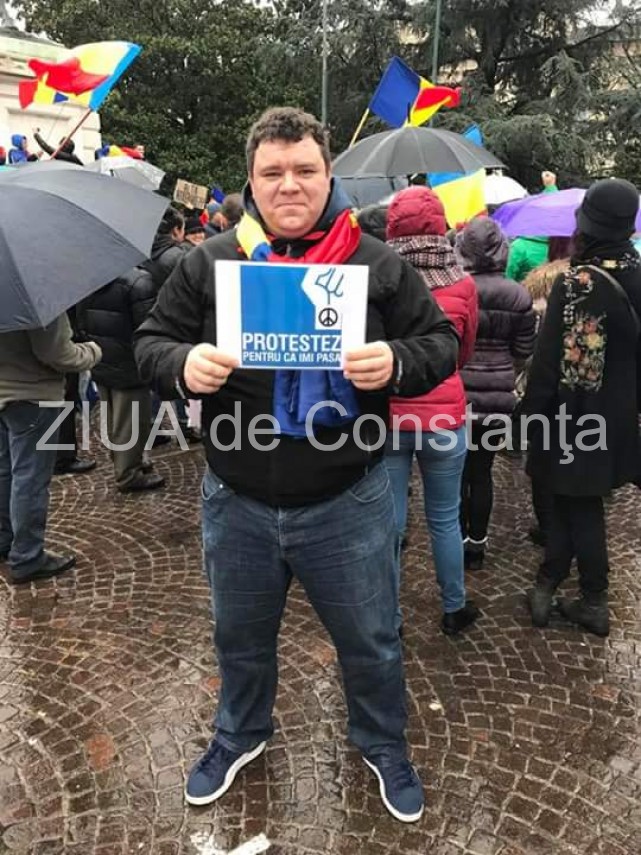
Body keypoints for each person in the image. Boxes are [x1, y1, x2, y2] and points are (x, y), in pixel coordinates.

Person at [135, 106, 458, 823]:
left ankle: (381, 742)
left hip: (349, 500)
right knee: (239, 639)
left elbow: (440, 342)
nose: (289, 184)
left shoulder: (374, 262)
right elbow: (151, 340)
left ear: (327, 175)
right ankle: (239, 733)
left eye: (304, 170)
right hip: (238, 499)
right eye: (273, 172)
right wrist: (182, 363)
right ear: (251, 181)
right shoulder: (211, 261)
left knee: (371, 642)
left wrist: (397, 361)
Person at [523, 179, 641, 637]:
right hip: (618, 415)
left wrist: (527, 420)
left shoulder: (576, 282)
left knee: (578, 504)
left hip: (571, 416)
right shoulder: (637, 271)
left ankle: (591, 598)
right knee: (575, 500)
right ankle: (550, 581)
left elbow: (546, 363)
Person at [383, 187, 479, 635]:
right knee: (444, 517)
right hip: (445, 415)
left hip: (389, 414)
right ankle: (454, 607)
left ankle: (389, 617)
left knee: (390, 523)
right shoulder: (462, 283)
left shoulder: (380, 280)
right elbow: (463, 352)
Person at [457, 218, 536, 571]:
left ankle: (457, 539)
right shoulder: (519, 295)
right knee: (482, 470)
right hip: (499, 394)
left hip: (458, 394)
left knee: (458, 472)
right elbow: (523, 350)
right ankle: (477, 545)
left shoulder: (457, 289)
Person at [0, 315, 101, 583]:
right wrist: (92, 351)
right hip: (34, 396)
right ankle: (27, 556)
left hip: (5, 396)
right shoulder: (38, 304)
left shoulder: (14, 298)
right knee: (30, 480)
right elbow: (57, 353)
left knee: (7, 474)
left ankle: (4, 540)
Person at [76, 268, 166, 493]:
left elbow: (80, 322)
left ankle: (124, 460)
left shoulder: (87, 280)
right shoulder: (139, 282)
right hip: (130, 363)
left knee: (113, 415)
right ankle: (128, 474)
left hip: (101, 357)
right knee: (131, 420)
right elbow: (150, 328)